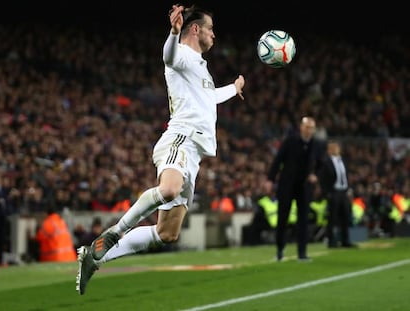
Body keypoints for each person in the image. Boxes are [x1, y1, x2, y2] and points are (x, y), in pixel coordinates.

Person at [76, 4, 245, 295]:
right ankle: (115, 232)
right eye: (210, 29)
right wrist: (173, 32)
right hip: (180, 138)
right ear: (196, 29)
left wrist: (234, 87)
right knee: (168, 189)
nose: (214, 35)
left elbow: (209, 98)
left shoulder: (200, 66)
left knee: (167, 233)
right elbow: (168, 57)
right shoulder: (181, 55)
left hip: (194, 154)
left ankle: (95, 255)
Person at [265, 116, 322, 261]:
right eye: (307, 127)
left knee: (303, 219)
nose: (309, 130)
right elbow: (278, 159)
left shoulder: (316, 144)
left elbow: (322, 164)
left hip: (304, 186)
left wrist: (315, 175)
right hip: (287, 184)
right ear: (301, 128)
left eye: (311, 128)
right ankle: (279, 250)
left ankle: (302, 253)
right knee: (283, 217)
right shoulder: (290, 141)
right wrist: (270, 179)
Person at [317, 140, 356, 248]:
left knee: (345, 217)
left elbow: (346, 176)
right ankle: (331, 241)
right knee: (332, 218)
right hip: (333, 192)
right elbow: (322, 179)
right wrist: (327, 193)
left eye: (336, 147)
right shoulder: (326, 162)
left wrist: (348, 189)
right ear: (329, 150)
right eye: (332, 147)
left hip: (343, 192)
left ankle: (345, 240)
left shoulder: (343, 161)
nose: (335, 149)